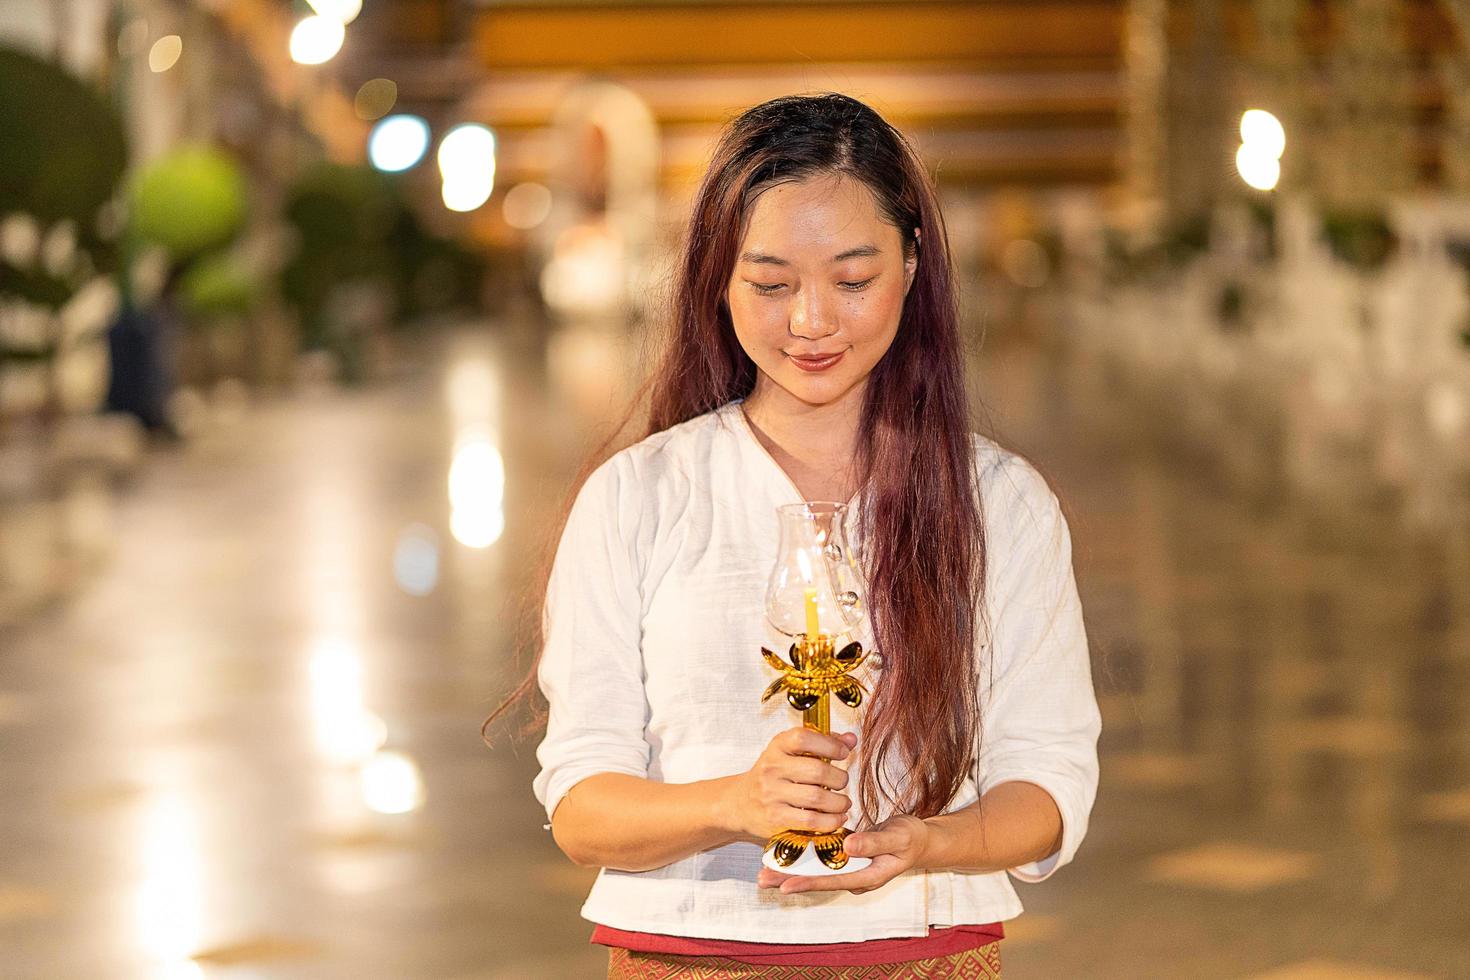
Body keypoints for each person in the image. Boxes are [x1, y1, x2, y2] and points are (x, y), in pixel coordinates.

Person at [483, 92, 1101, 979]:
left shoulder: (1001, 504)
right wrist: (735, 802)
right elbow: (582, 807)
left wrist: (925, 844)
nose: (812, 321)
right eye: (770, 285)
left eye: (853, 280)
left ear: (914, 265)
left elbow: (1046, 784)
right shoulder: (640, 497)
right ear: (718, 280)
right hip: (688, 950)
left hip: (924, 953)